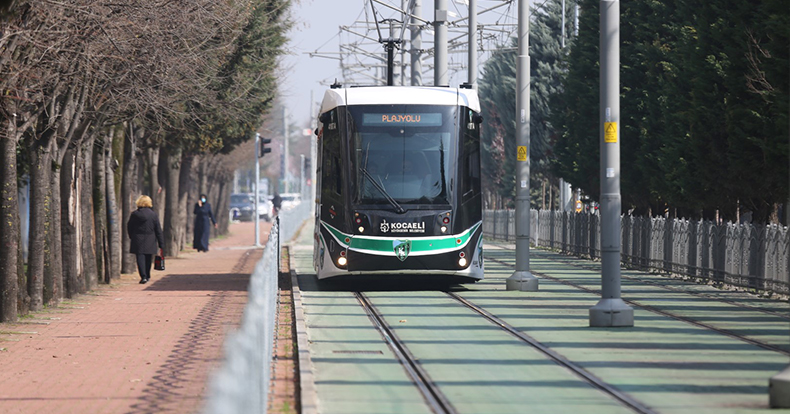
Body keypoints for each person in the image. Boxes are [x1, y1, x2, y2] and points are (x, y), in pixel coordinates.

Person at [127, 195, 164, 284]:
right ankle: (147, 275)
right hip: (150, 238)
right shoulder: (153, 214)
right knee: (148, 258)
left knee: (140, 257)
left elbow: (129, 227)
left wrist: (132, 236)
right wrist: (161, 243)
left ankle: (143, 276)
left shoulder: (135, 214)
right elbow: (158, 229)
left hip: (138, 238)